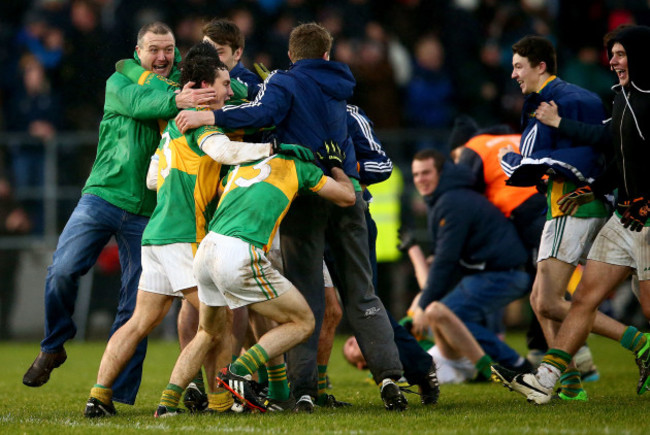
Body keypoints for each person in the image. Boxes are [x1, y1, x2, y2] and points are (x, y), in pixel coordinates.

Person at [174, 22, 407, 412]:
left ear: (292, 56)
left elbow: (262, 112)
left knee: (308, 296)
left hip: (305, 195)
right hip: (346, 192)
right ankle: (389, 379)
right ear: (328, 55)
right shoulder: (342, 91)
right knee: (362, 293)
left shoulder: (284, 82)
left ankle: (303, 389)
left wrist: (210, 117)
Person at [82, 42, 284, 418]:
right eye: (224, 84)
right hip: (184, 235)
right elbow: (225, 153)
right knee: (220, 320)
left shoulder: (172, 130)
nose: (229, 91)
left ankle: (98, 397)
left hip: (155, 235)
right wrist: (271, 149)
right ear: (206, 87)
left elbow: (152, 177)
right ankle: (222, 401)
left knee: (140, 321)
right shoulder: (199, 122)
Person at [22, 22, 215, 406]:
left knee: (136, 306)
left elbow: (226, 90)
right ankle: (54, 344)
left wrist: (186, 90)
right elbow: (144, 105)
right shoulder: (119, 81)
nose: (162, 56)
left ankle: (112, 394)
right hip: (103, 196)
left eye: (169, 49)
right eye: (153, 49)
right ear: (138, 52)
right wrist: (180, 98)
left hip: (150, 211)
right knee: (62, 269)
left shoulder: (178, 81)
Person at [492, 25, 650, 404]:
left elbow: (595, 150)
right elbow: (614, 153)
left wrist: (559, 132)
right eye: (612, 54)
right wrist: (592, 188)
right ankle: (553, 380)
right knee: (572, 300)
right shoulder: (619, 98)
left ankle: (631, 347)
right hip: (619, 214)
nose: (612, 62)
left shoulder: (575, 99)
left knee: (548, 301)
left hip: (629, 216)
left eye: (621, 54)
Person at [154, 142, 356, 415]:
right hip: (240, 253)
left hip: (207, 250)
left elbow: (220, 190)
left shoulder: (243, 162)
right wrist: (336, 168)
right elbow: (347, 197)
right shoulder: (301, 167)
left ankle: (166, 404)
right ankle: (238, 371)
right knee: (303, 321)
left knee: (207, 332)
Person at [497, 35, 611, 401]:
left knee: (548, 302)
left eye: (518, 66)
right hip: (569, 204)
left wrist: (513, 162)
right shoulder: (572, 99)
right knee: (539, 299)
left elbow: (586, 154)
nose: (513, 74)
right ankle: (571, 382)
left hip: (570, 207)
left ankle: (637, 340)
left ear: (540, 65)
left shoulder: (557, 101)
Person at [410, 149, 533, 373]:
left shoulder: (451, 201)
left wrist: (422, 304)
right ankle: (505, 366)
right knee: (449, 314)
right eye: (416, 175)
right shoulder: (448, 197)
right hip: (497, 272)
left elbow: (446, 260)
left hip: (503, 274)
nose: (420, 179)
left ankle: (517, 366)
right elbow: (446, 256)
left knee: (449, 315)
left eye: (426, 172)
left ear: (440, 172)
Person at [344, 302, 491, 384]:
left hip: (445, 355)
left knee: (434, 310)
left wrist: (418, 312)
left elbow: (419, 301)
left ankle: (489, 370)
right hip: (449, 372)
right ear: (360, 365)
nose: (354, 340)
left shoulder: (395, 335)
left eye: (353, 338)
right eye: (350, 345)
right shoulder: (380, 375)